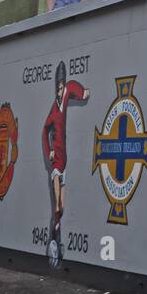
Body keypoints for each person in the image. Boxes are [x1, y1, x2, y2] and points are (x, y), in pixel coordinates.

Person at [41, 61, 90, 267]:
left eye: (61, 88)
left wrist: (83, 93)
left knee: (63, 204)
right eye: (58, 89)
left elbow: (75, 88)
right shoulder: (54, 109)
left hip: (65, 157)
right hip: (56, 162)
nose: (60, 92)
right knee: (57, 201)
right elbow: (45, 131)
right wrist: (49, 150)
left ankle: (56, 231)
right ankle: (54, 238)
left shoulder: (68, 90)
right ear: (56, 88)